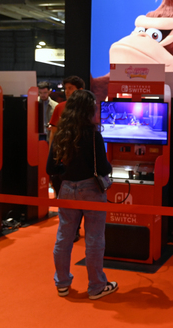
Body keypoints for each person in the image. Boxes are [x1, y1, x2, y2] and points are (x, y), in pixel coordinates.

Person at [46, 89, 118, 300]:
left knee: (64, 237)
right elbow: (103, 168)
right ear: (89, 109)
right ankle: (96, 286)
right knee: (94, 239)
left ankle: (62, 283)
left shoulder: (61, 134)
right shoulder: (93, 134)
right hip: (91, 190)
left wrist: (65, 174)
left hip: (67, 189)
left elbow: (50, 167)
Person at [48, 75, 85, 241]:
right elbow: (53, 134)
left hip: (80, 161)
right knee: (63, 197)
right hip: (62, 159)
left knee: (79, 198)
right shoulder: (60, 108)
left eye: (71, 88)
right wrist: (52, 156)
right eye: (66, 88)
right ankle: (69, 228)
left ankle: (75, 228)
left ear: (80, 90)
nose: (68, 92)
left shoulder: (87, 109)